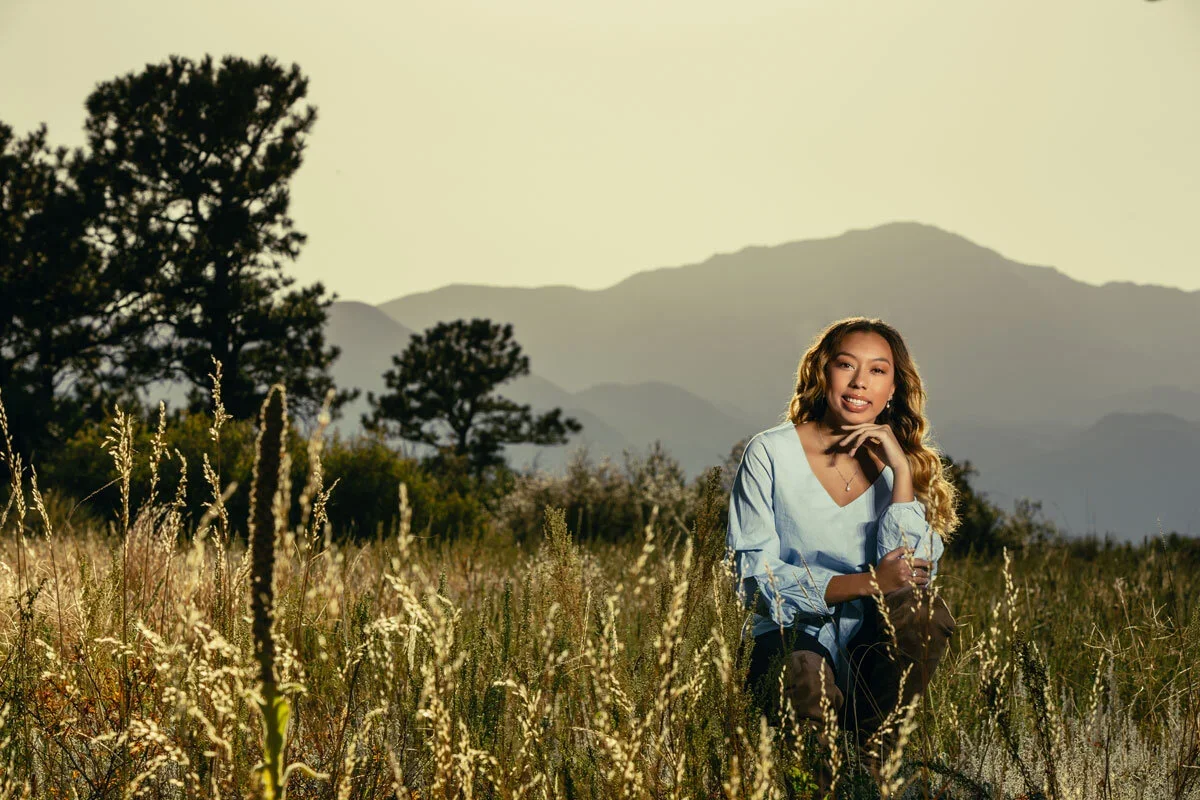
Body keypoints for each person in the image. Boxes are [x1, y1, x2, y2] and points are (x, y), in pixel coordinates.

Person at [727, 316, 958, 782]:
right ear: (823, 372)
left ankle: (874, 768)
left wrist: (900, 474)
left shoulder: (901, 465)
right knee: (805, 684)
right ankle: (818, 779)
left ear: (893, 389)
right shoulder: (769, 454)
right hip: (790, 632)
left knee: (924, 612)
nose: (859, 382)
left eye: (877, 370)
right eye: (846, 365)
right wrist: (869, 582)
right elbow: (754, 578)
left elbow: (911, 578)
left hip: (868, 639)